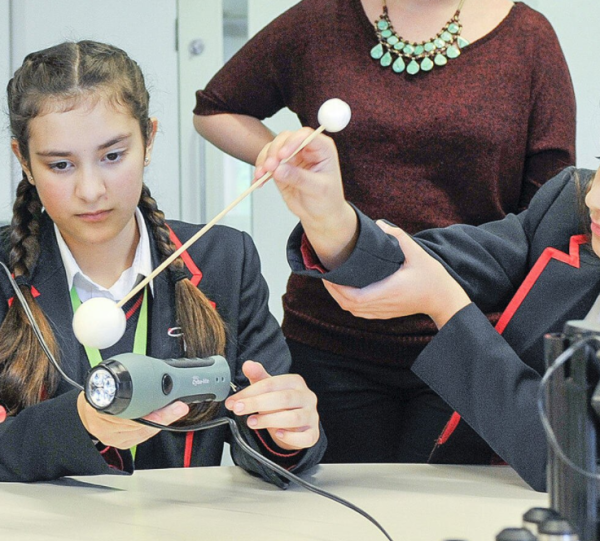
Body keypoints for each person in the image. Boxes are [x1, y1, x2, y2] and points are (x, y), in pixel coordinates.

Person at [192, 0, 576, 464]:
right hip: (330, 338)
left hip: (466, 338)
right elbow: (215, 109)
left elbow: (546, 211)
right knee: (328, 527)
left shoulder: (529, 38)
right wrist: (283, 162)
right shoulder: (319, 20)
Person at [0, 40, 325, 485]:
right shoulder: (5, 275)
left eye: (113, 156)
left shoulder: (223, 260)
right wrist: (81, 424)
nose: (91, 190)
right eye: (60, 165)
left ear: (148, 139)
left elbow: (269, 445)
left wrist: (287, 433)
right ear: (24, 161)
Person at [253, 127, 598, 491]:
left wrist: (445, 304)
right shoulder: (568, 203)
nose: (594, 199)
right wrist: (332, 222)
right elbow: (449, 258)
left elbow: (568, 459)